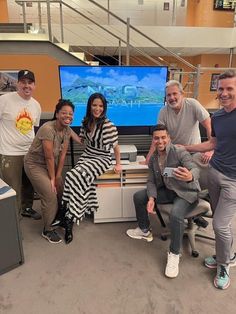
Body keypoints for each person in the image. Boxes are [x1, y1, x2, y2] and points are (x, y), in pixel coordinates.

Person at [184, 69, 236, 290]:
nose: (223, 93)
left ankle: (224, 264)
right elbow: (212, 143)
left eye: (229, 88)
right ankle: (228, 255)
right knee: (222, 222)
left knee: (220, 224)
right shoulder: (217, 117)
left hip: (233, 181)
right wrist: (185, 147)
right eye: (220, 88)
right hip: (215, 173)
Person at [126, 124, 200, 278]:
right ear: (153, 140)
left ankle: (174, 254)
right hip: (169, 191)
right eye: (156, 138)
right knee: (139, 196)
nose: (160, 141)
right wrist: (152, 198)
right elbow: (151, 181)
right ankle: (144, 230)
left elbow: (195, 169)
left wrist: (190, 176)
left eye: (163, 137)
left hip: (185, 192)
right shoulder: (153, 158)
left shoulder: (179, 152)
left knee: (175, 215)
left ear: (169, 138)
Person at [59, 93, 121, 244]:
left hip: (102, 158)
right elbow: (81, 141)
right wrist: (67, 128)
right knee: (71, 176)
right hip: (88, 155)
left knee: (75, 176)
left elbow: (116, 147)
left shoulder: (108, 125)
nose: (97, 108)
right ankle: (67, 213)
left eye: (100, 106)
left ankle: (68, 218)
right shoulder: (85, 121)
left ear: (104, 107)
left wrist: (118, 163)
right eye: (94, 105)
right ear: (89, 106)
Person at [24, 99, 75, 243]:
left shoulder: (67, 130)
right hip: (35, 164)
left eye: (70, 114)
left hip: (50, 164)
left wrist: (58, 176)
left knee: (61, 189)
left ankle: (58, 218)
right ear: (57, 114)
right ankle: (47, 229)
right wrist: (52, 180)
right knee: (50, 193)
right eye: (64, 113)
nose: (68, 116)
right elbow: (49, 157)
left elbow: (63, 155)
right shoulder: (48, 129)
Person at [0, 69, 41, 220]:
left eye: (30, 83)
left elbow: (32, 128)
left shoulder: (36, 105)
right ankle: (14, 223)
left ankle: (27, 208)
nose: (26, 86)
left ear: (34, 85)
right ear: (17, 83)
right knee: (13, 189)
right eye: (23, 82)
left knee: (28, 185)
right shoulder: (4, 100)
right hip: (9, 153)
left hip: (29, 152)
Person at [144, 80, 212, 165]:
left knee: (195, 173)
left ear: (182, 94)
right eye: (168, 95)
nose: (172, 98)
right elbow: (158, 137)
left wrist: (210, 150)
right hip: (173, 153)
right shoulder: (163, 112)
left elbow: (210, 126)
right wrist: (149, 158)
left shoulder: (193, 104)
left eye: (174, 94)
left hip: (194, 152)